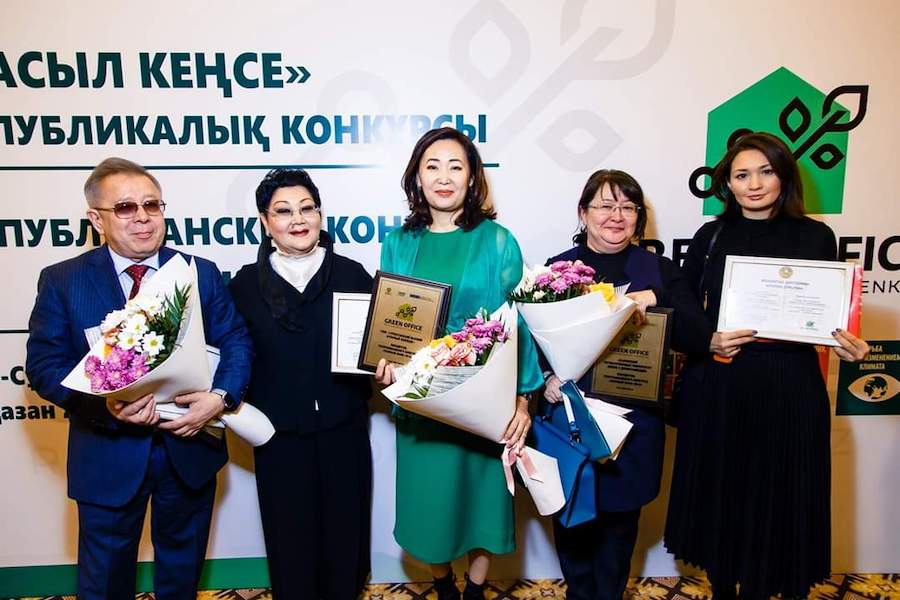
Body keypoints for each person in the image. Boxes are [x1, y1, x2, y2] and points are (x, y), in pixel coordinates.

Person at [25, 157, 253, 599]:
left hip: (189, 450)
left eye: (152, 204)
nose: (143, 217)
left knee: (181, 579)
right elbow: (44, 365)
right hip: (107, 455)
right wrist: (105, 405)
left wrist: (220, 397)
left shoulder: (199, 272)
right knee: (104, 583)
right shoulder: (63, 281)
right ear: (97, 219)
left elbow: (237, 341)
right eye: (126, 207)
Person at [664, 132, 870, 599]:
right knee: (723, 497)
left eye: (765, 172)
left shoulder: (816, 236)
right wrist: (707, 338)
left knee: (779, 498)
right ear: (727, 184)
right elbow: (680, 304)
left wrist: (844, 343)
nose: (754, 184)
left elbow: (830, 314)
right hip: (723, 382)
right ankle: (722, 589)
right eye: (742, 175)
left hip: (790, 387)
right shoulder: (711, 236)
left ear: (784, 176)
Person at [374, 127, 543, 600]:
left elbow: (518, 323)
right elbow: (390, 319)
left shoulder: (498, 241)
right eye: (432, 166)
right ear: (417, 178)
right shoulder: (397, 242)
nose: (443, 177)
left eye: (455, 166)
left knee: (483, 503)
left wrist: (523, 402)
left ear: (472, 178)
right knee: (429, 504)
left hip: (483, 403)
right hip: (422, 404)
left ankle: (474, 590)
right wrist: (383, 366)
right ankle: (443, 584)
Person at [540, 169, 710, 600]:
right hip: (572, 422)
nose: (616, 216)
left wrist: (656, 297)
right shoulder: (557, 270)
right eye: (604, 205)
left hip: (634, 427)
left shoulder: (659, 271)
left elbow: (698, 333)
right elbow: (533, 339)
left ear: (638, 217)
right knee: (572, 525)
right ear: (583, 213)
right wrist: (544, 379)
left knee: (619, 532)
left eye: (627, 207)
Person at [229, 169, 373, 599]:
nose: (298, 219)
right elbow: (231, 357)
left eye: (307, 208)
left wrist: (388, 366)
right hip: (278, 438)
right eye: (283, 211)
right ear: (264, 222)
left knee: (346, 539)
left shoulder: (352, 275)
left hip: (343, 431)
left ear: (319, 215)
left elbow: (379, 348)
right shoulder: (243, 286)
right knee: (289, 542)